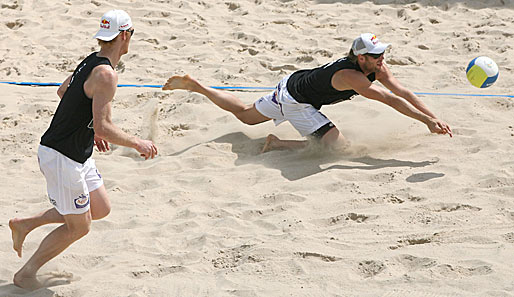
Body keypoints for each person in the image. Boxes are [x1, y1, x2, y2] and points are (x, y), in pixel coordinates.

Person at [8, 10, 157, 290]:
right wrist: (137, 142)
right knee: (80, 226)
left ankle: (26, 223)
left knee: (100, 207)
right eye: (131, 35)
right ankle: (26, 273)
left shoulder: (92, 61)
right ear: (124, 35)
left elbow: (64, 91)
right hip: (62, 156)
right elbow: (103, 126)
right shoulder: (106, 74)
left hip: (76, 153)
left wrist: (91, 127)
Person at [162, 33, 452, 153]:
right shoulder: (352, 76)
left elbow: (403, 92)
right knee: (339, 149)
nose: (382, 58)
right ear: (361, 58)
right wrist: (426, 123)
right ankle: (277, 144)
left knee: (246, 116)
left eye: (382, 53)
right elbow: (390, 99)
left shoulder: (375, 67)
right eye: (376, 55)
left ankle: (196, 85)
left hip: (292, 83)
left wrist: (433, 117)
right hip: (297, 101)